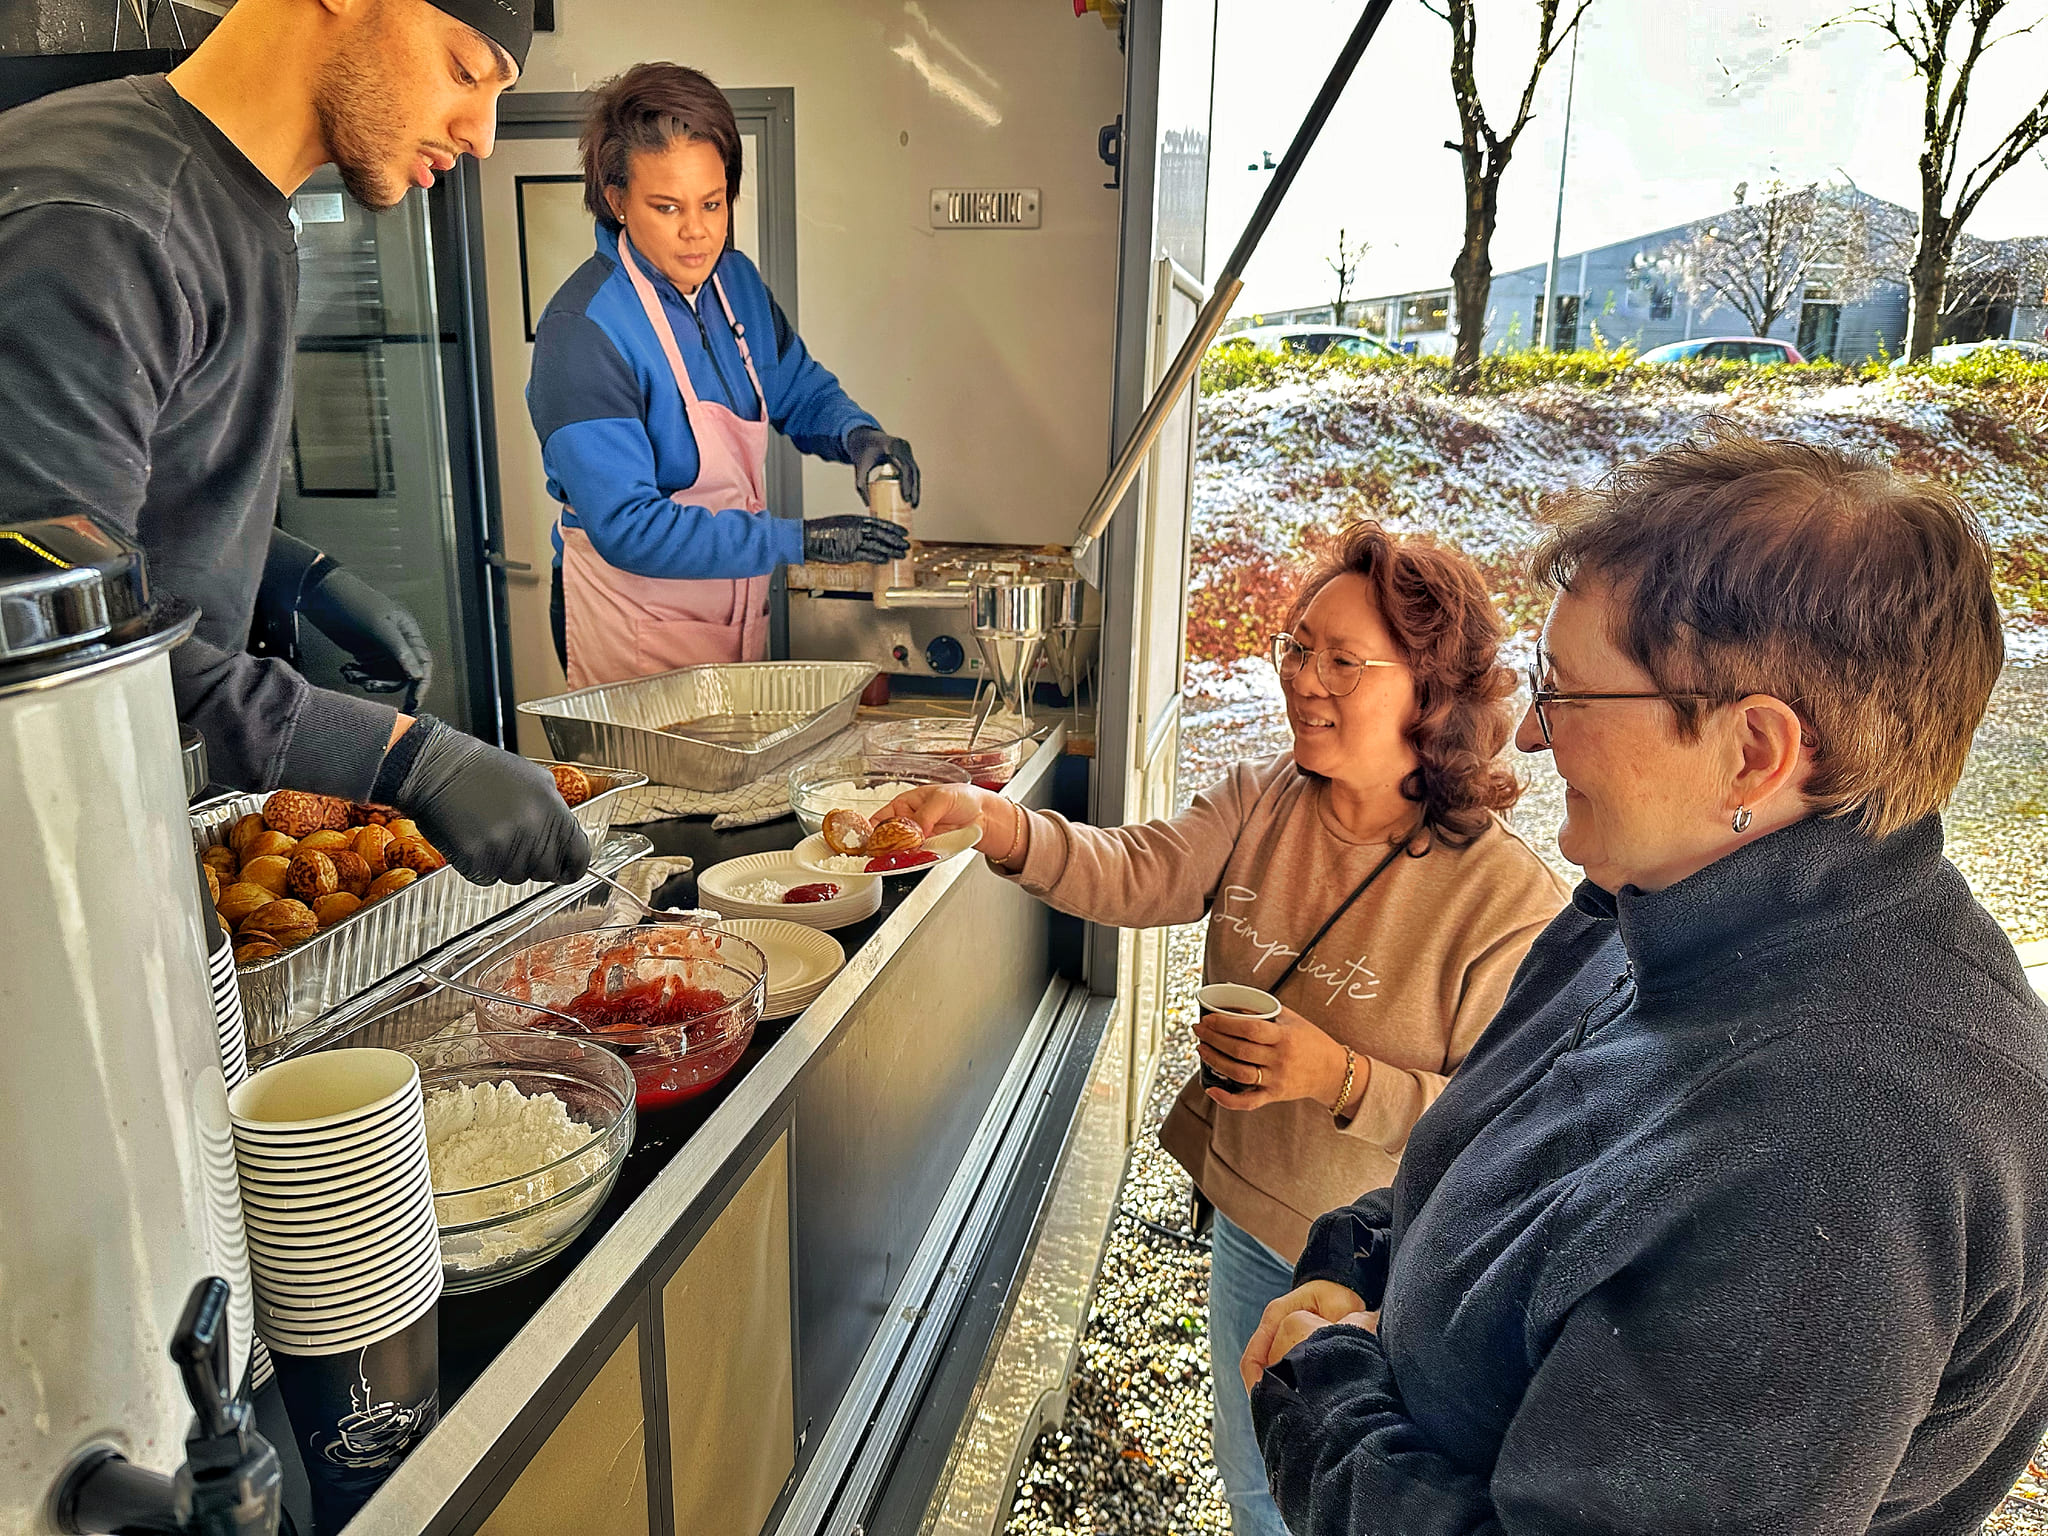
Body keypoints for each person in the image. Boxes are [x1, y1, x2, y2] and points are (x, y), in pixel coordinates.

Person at [1241, 431, 2048, 1535]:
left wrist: (1318, 1399)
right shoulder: (1656, 900)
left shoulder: (1842, 1149)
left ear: (1753, 752)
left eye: (1567, 693)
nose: (1527, 731)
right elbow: (1511, 1163)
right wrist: (1362, 1264)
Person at [882, 522, 1568, 1536]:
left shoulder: (1504, 899)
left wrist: (1337, 1076)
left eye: (1341, 660)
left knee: (1335, 1500)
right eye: (1295, 649)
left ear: (1430, 692)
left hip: (1381, 1267)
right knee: (1252, 1478)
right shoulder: (1264, 800)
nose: (1303, 679)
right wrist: (996, 823)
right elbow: (1132, 868)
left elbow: (1498, 1134)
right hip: (1251, 1216)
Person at [0, 0, 587, 886]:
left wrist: (300, 576)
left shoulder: (234, 202)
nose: (483, 135)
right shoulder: (98, 224)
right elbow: (62, 651)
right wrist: (403, 758)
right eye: (466, 70)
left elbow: (132, 497)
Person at [528, 62, 916, 686]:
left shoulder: (734, 283)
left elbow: (797, 388)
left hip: (731, 612)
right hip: (631, 626)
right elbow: (628, 527)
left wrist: (857, 437)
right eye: (667, 206)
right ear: (615, 199)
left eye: (713, 203)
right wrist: (800, 542)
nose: (697, 231)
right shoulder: (581, 332)